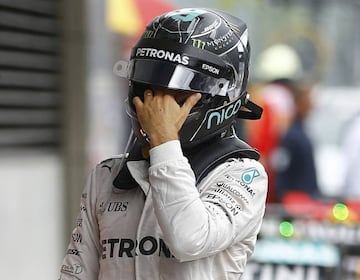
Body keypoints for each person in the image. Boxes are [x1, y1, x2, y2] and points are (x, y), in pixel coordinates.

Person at [59, 7, 268, 280]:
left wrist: (165, 141)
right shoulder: (106, 176)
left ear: (217, 96)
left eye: (175, 94)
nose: (154, 106)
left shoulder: (243, 175)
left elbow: (189, 239)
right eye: (148, 88)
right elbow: (77, 274)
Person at [272, 78, 321, 202]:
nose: (311, 105)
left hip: (307, 200)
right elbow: (282, 173)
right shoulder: (292, 136)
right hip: (296, 203)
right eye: (307, 100)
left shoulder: (301, 133)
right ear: (298, 104)